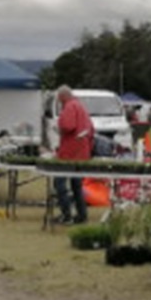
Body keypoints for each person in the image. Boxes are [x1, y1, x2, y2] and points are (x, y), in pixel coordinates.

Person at [54, 85, 93, 224]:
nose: (58, 101)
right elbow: (91, 129)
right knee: (77, 185)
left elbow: (67, 126)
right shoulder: (80, 106)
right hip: (82, 152)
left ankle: (66, 215)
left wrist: (58, 125)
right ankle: (82, 215)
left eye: (59, 98)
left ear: (63, 96)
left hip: (70, 153)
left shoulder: (69, 107)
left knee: (59, 184)